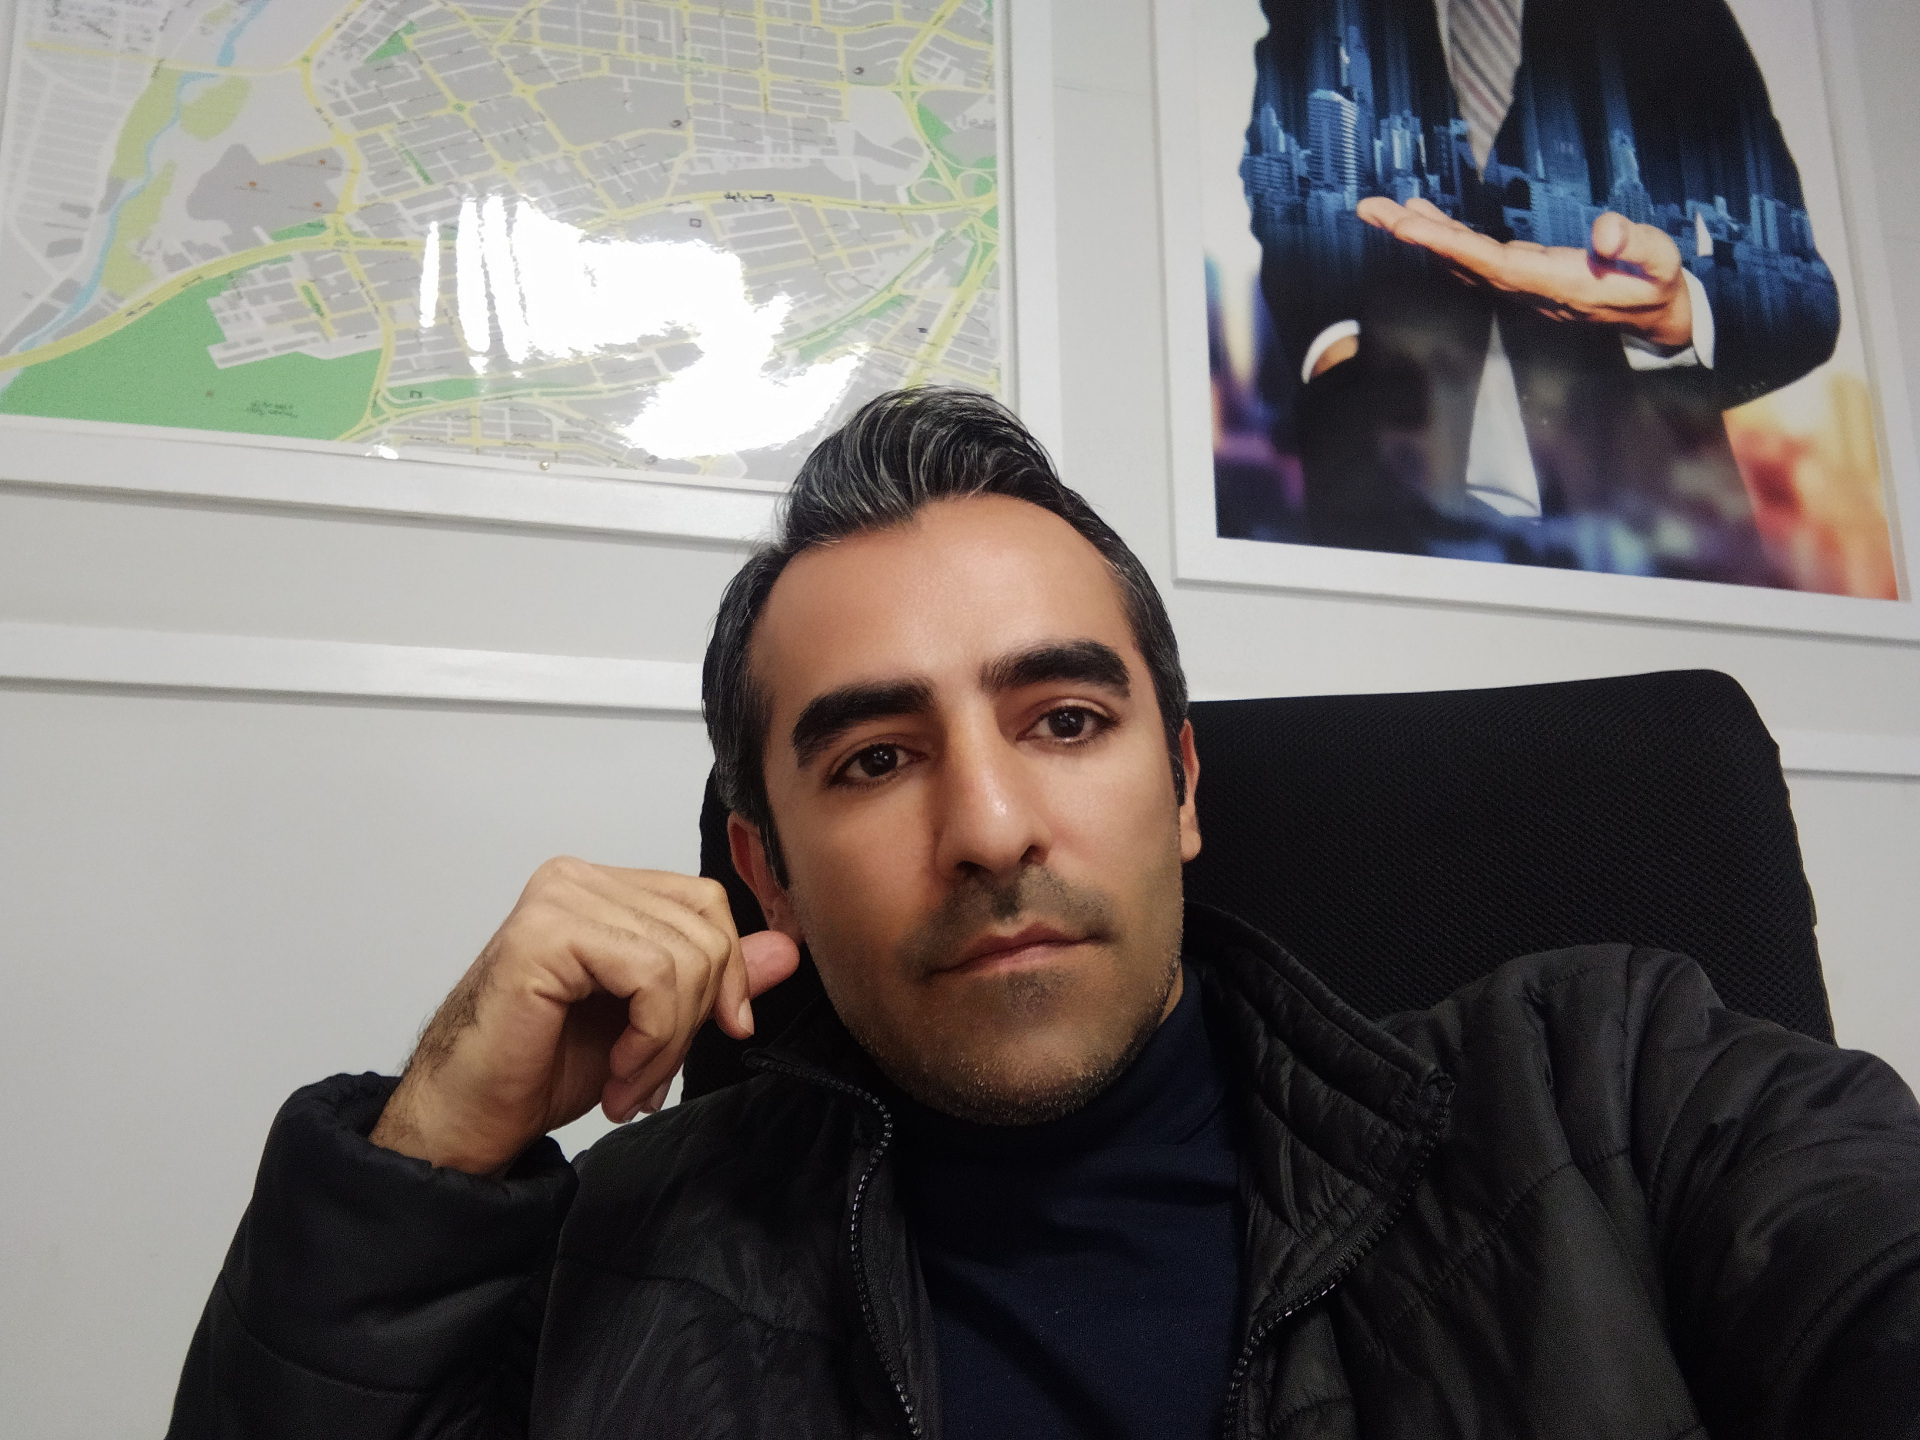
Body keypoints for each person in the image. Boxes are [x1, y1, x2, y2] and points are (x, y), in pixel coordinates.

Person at [170, 388, 1920, 1439]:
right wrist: (431, 1149)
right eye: (874, 759)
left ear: (1183, 783)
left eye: (1065, 721)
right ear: (764, 872)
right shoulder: (605, 1265)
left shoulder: (1614, 1091)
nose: (991, 826)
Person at [1230, 0, 1841, 583]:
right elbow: (1285, 184)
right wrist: (1338, 362)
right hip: (1378, 513)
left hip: (1651, 540)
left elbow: (1800, 297)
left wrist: (1672, 313)